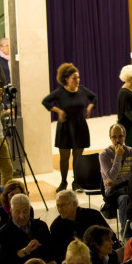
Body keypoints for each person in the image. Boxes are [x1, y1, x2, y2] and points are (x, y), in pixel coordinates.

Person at [43, 62, 97, 192]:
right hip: (65, 127)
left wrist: (90, 107)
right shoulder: (60, 92)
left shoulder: (82, 90)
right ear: (66, 79)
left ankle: (76, 182)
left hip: (80, 126)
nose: (77, 80)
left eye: (78, 77)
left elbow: (94, 97)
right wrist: (58, 111)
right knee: (64, 157)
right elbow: (45, 101)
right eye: (74, 78)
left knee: (78, 157)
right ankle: (63, 182)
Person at [0, 193, 52, 264]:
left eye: (25, 212)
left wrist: (52, 263)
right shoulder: (4, 232)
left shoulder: (41, 226)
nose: (22, 216)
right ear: (11, 211)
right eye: (17, 212)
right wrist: (24, 251)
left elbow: (51, 250)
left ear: (30, 210)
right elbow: (4, 262)